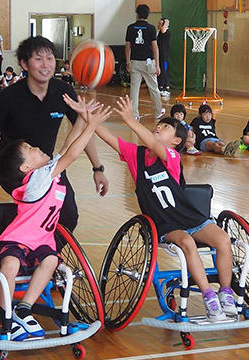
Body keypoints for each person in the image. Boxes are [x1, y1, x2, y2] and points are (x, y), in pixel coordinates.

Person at [74, 94, 235, 321]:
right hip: (163, 223)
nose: (159, 127)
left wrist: (131, 120)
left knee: (223, 240)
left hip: (188, 216)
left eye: (166, 127)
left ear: (176, 141)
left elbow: (151, 142)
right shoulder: (136, 155)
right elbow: (106, 135)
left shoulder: (171, 156)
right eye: (158, 125)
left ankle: (226, 292)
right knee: (187, 242)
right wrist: (85, 114)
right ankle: (209, 295)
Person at [0, 98, 110, 341]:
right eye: (31, 150)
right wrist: (92, 125)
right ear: (26, 168)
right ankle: (4, 316)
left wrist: (83, 119)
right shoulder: (36, 181)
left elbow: (67, 148)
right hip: (18, 240)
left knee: (50, 262)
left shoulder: (46, 173)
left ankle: (23, 307)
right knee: (10, 266)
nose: (37, 148)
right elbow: (73, 153)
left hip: (42, 241)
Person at [0, 36, 109, 232]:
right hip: (14, 169)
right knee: (38, 213)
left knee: (68, 217)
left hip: (46, 164)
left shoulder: (63, 91)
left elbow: (82, 133)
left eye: (50, 58)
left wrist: (98, 169)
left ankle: (45, 257)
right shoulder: (8, 98)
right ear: (24, 64)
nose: (46, 65)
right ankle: (18, 249)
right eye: (38, 59)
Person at [125, 4, 165, 120]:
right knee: (153, 88)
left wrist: (128, 62)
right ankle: (158, 112)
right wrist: (157, 65)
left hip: (135, 62)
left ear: (137, 14)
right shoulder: (151, 28)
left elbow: (128, 47)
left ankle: (134, 115)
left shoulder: (130, 28)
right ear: (148, 15)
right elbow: (155, 47)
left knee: (134, 89)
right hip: (148, 62)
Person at [157, 18, 171, 97]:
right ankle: (160, 87)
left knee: (165, 70)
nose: (158, 25)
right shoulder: (158, 32)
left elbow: (163, 30)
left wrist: (166, 22)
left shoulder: (166, 31)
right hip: (159, 56)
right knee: (160, 71)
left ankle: (167, 88)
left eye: (160, 24)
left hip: (164, 57)